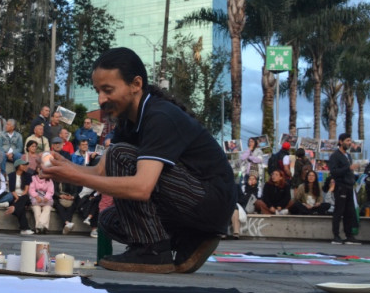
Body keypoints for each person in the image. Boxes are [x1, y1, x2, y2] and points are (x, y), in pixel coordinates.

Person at [43, 47, 235, 274]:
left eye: (108, 90)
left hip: (210, 201)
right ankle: (188, 240)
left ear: (136, 84)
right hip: (188, 202)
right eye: (98, 91)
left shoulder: (160, 116)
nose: (101, 99)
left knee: (119, 155)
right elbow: (102, 171)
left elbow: (142, 187)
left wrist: (75, 176)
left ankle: (152, 250)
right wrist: (65, 168)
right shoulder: (128, 121)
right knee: (109, 219)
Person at [328, 132, 360, 245]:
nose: (349, 143)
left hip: (349, 186)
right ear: (340, 142)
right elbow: (334, 171)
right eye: (347, 141)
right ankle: (336, 235)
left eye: (350, 141)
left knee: (349, 211)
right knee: (339, 210)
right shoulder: (335, 156)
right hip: (341, 186)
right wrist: (348, 168)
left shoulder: (348, 156)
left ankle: (349, 235)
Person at [29, 168, 54, 234]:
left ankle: (39, 227)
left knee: (47, 209)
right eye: (39, 168)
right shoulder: (33, 178)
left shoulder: (49, 179)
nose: (41, 170)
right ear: (36, 169)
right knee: (37, 209)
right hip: (36, 199)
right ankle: (43, 228)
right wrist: (36, 197)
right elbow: (31, 190)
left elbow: (50, 191)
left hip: (46, 200)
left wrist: (46, 197)